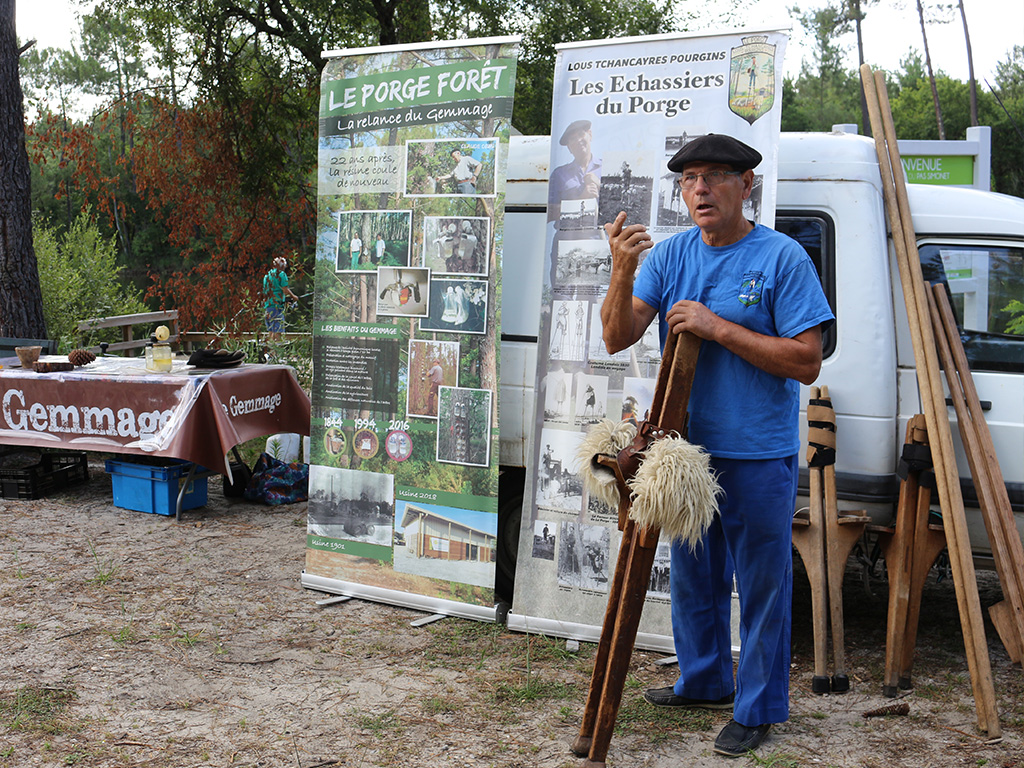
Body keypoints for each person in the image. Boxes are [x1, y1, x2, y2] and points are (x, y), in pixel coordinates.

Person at [600, 133, 834, 758]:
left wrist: (716, 326)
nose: (699, 188)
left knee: (761, 582)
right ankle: (704, 679)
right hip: (686, 453)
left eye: (714, 177)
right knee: (695, 576)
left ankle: (758, 707)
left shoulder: (782, 258)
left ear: (745, 186)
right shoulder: (672, 254)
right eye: (689, 179)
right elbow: (617, 336)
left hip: (758, 452)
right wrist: (622, 271)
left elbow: (807, 361)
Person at [548, 120, 602, 223]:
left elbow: (620, 208)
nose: (578, 140)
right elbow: (548, 214)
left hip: (601, 236)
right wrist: (581, 199)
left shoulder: (606, 169)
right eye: (573, 139)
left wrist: (600, 185)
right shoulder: (559, 174)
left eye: (581, 134)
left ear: (590, 135)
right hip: (567, 237)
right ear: (569, 147)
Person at [263, 256, 299, 342]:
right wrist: (294, 297)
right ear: (283, 266)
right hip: (276, 306)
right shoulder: (281, 274)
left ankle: (271, 353)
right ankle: (276, 353)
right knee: (278, 331)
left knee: (271, 330)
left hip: (268, 306)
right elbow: (285, 290)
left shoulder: (267, 275)